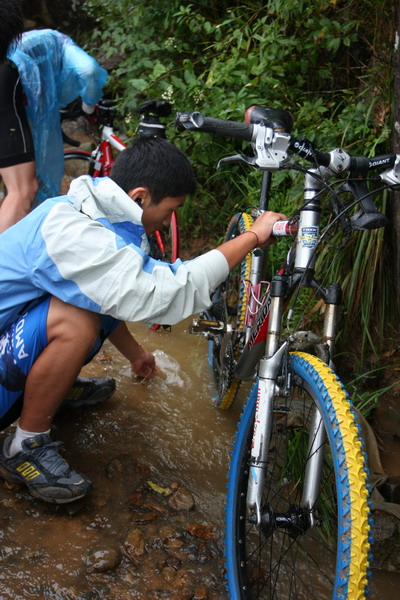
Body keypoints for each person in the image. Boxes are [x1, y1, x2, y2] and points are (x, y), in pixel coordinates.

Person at [0, 136, 285, 505]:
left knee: (84, 306)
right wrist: (251, 237)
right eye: (169, 211)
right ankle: (24, 445)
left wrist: (135, 354)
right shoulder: (71, 232)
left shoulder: (97, 212)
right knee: (75, 323)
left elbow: (106, 295)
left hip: (11, 336)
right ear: (139, 197)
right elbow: (162, 291)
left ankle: (51, 387)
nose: (167, 223)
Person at [0, 0, 107, 232]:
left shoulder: (35, 40)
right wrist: (89, 107)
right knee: (23, 190)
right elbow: (88, 70)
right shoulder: (61, 43)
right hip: (7, 85)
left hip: (13, 89)